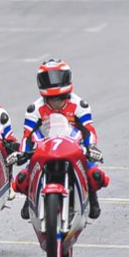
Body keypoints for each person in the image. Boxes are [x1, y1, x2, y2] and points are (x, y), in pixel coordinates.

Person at [17, 58, 108, 219]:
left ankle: (92, 197)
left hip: (73, 148)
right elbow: (28, 136)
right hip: (45, 149)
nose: (53, 83)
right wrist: (24, 152)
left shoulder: (80, 105)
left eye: (57, 77)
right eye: (48, 78)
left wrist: (91, 147)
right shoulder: (35, 108)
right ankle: (29, 198)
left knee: (95, 174)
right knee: (22, 178)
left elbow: (88, 130)